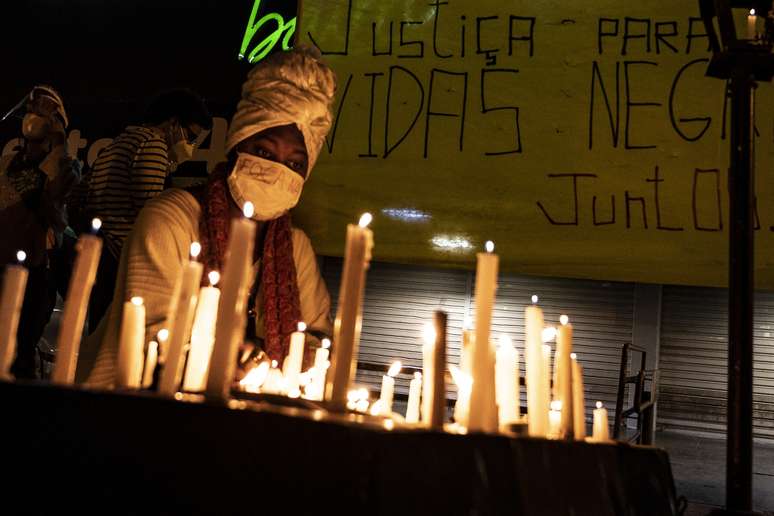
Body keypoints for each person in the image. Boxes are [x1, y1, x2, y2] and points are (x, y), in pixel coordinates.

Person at [77, 46, 336, 388]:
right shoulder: (169, 220)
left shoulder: (295, 247)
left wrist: (290, 366)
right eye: (263, 151)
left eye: (295, 164)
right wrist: (226, 359)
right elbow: (151, 342)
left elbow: (318, 342)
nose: (276, 171)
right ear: (236, 145)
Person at [79, 89, 212, 332]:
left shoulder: (119, 143)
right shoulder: (153, 145)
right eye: (190, 137)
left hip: (103, 253)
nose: (190, 146)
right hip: (120, 258)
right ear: (173, 123)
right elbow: (150, 214)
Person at [0, 85, 81, 378]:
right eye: (32, 111)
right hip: (3, 264)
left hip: (35, 272)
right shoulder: (9, 162)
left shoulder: (66, 167)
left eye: (44, 112)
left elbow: (55, 202)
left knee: (20, 352)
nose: (34, 116)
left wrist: (59, 141)